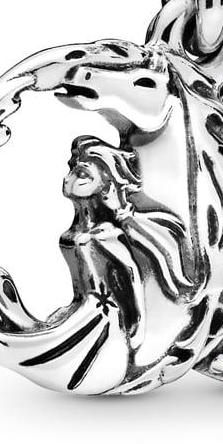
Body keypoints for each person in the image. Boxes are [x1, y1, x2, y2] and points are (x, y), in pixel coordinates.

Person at [60, 136, 193, 349]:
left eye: (83, 174)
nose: (68, 179)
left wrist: (137, 327)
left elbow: (132, 275)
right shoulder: (78, 234)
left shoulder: (105, 236)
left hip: (106, 328)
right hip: (87, 318)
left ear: (105, 186)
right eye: (71, 170)